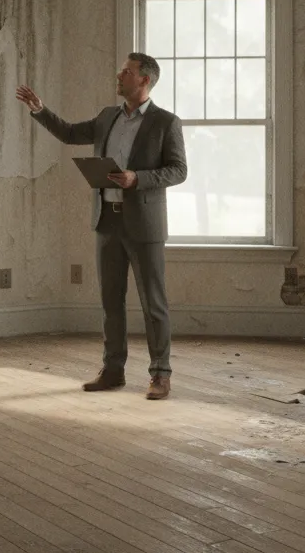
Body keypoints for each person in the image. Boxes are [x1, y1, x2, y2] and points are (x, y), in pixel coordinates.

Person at [16, 54, 187, 399]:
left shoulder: (165, 122)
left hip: (144, 224)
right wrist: (39, 110)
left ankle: (160, 374)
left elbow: (178, 170)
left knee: (153, 302)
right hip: (106, 219)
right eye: (122, 69)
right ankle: (113, 370)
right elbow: (68, 134)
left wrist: (136, 178)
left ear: (145, 80)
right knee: (111, 300)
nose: (119, 74)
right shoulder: (108, 116)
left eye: (127, 71)